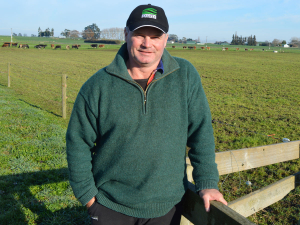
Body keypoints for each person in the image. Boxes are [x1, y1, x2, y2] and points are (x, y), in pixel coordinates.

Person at [66, 4, 227, 225]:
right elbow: (77, 142)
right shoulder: (97, 86)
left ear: (166, 39)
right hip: (110, 206)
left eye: (155, 36)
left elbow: (202, 133)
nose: (147, 44)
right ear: (126, 34)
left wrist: (207, 183)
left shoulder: (185, 76)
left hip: (166, 207)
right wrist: (88, 198)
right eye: (140, 34)